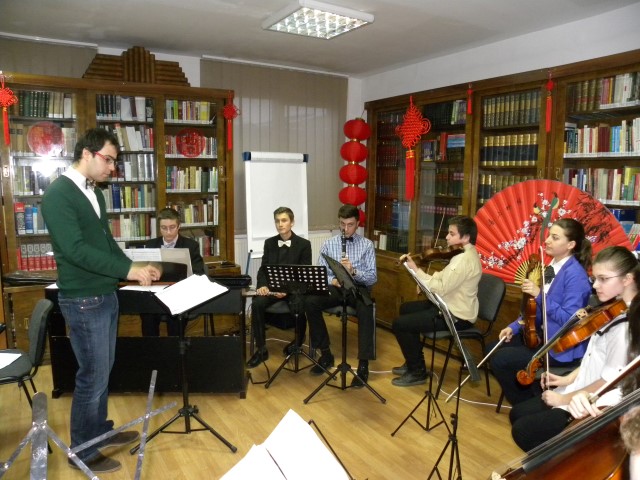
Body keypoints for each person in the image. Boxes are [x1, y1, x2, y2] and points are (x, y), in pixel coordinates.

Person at [42, 128, 160, 474]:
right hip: (83, 299)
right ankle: (82, 450)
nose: (112, 168)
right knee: (91, 376)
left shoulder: (94, 192)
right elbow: (75, 251)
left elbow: (106, 245)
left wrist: (135, 267)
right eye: (108, 160)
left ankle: (99, 431)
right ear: (87, 154)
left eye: (114, 162)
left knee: (102, 371)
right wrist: (127, 270)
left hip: (105, 294)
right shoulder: (59, 195)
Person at [509, 246, 639, 452]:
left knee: (523, 430)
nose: (595, 285)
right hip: (580, 386)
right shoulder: (612, 308)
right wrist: (567, 380)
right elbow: (594, 358)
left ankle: (555, 461)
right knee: (517, 413)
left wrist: (563, 399)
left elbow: (609, 381)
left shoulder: (625, 327)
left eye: (603, 279)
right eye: (595, 278)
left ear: (627, 279)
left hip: (594, 401)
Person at [489, 218, 593, 406]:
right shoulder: (552, 266)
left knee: (501, 360)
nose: (547, 241)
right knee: (492, 348)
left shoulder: (576, 275)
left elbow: (569, 319)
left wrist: (539, 295)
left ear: (570, 245)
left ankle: (526, 406)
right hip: (540, 336)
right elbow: (534, 310)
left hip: (559, 345)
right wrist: (514, 327)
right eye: (549, 236)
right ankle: (530, 398)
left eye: (555, 238)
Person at [391, 215, 482, 386]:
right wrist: (421, 277)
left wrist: (418, 274)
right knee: (406, 309)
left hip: (455, 315)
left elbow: (440, 288)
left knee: (400, 324)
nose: (447, 237)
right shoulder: (463, 254)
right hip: (446, 304)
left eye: (452, 234)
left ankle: (417, 372)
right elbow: (442, 278)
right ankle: (413, 361)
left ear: (466, 237)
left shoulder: (463, 260)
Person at [304, 204, 377, 388]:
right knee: (310, 302)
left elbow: (372, 278)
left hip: (358, 287)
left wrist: (354, 271)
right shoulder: (329, 244)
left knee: (366, 308)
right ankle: (325, 353)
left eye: (350, 225)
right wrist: (334, 280)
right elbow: (321, 274)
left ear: (357, 224)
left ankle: (363, 365)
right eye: (342, 224)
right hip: (336, 286)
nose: (345, 229)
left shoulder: (367, 245)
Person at [246, 206, 312, 368]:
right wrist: (262, 286)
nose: (280, 224)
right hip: (273, 288)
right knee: (257, 304)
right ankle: (261, 349)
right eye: (277, 221)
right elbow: (263, 269)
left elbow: (303, 275)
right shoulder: (269, 243)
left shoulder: (304, 244)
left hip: (293, 289)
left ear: (292, 222)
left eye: (284, 220)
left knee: (299, 304)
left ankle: (298, 341)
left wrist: (286, 290)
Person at [140, 207, 205, 336]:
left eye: (172, 227)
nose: (168, 232)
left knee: (176, 314)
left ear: (179, 226)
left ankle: (175, 346)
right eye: (164, 228)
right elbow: (144, 269)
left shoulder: (191, 245)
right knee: (147, 312)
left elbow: (199, 272)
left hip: (179, 294)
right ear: (159, 227)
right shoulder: (151, 245)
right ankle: (151, 346)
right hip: (156, 293)